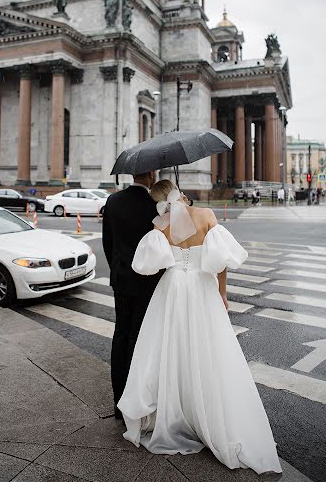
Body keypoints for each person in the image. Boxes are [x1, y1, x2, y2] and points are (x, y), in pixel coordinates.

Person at [118, 180, 282, 475]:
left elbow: (148, 267)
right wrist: (222, 292)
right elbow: (220, 263)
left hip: (172, 291)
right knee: (209, 349)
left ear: (159, 202)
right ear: (182, 194)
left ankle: (176, 407)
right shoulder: (207, 215)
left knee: (171, 348)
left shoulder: (160, 226)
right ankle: (209, 415)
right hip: (202, 288)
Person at [102, 171, 162, 419]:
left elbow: (108, 243)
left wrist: (117, 269)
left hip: (121, 281)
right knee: (139, 339)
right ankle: (135, 402)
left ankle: (118, 401)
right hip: (147, 283)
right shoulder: (155, 207)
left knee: (121, 335)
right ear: (150, 175)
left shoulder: (113, 201)